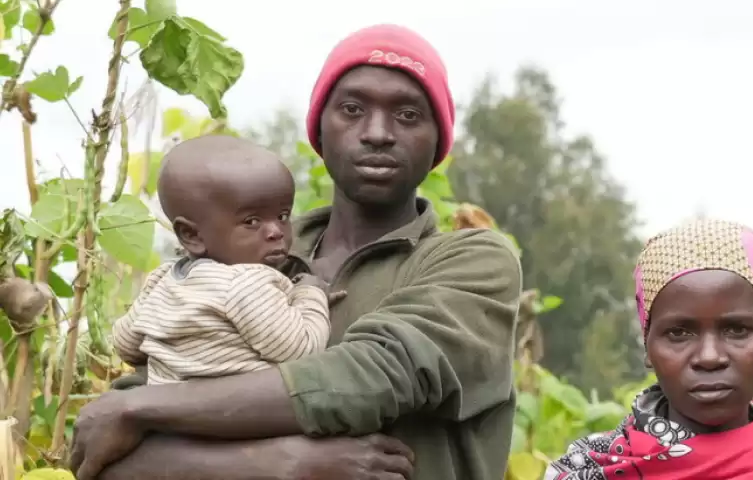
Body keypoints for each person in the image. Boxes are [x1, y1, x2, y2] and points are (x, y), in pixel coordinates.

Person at [68, 24, 522, 480]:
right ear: (319, 131)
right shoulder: (233, 259)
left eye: (407, 115)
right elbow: (108, 448)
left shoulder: (474, 263)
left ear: (438, 142)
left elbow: (381, 373)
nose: (379, 133)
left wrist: (141, 411)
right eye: (352, 109)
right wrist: (277, 464)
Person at [544, 218, 753, 479]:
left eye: (737, 330)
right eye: (679, 333)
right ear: (647, 347)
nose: (709, 357)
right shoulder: (586, 469)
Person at [111, 135, 335, 385]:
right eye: (251, 222)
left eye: (283, 215)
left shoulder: (162, 281)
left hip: (169, 414)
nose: (276, 231)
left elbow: (125, 344)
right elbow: (301, 350)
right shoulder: (246, 284)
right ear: (192, 235)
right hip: (239, 419)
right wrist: (310, 293)